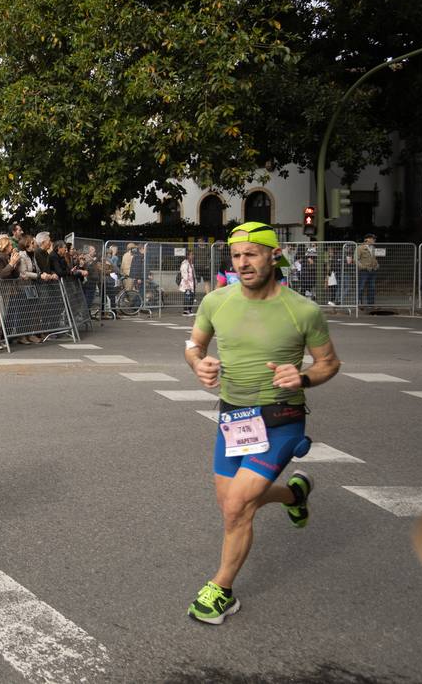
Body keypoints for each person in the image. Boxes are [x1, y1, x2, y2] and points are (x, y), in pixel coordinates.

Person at [183, 222, 341, 624]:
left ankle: (221, 590)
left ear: (275, 254)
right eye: (236, 256)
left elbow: (329, 364)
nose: (243, 263)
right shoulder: (216, 301)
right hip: (234, 417)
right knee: (231, 503)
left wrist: (302, 376)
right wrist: (199, 364)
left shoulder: (302, 309)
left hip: (281, 420)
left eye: (251, 254)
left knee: (237, 505)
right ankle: (294, 496)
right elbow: (193, 346)